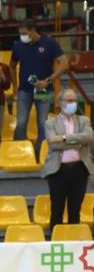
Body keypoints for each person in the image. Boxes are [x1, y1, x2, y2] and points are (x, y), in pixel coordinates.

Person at [10, 18, 66, 153]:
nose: (22, 36)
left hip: (44, 89)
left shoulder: (50, 43)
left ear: (33, 31)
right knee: (21, 123)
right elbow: (12, 66)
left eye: (25, 33)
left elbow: (64, 63)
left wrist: (48, 80)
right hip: (24, 90)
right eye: (20, 33)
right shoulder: (18, 46)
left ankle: (40, 153)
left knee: (42, 124)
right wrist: (15, 86)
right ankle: (19, 152)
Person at [42, 90, 93, 234]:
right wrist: (78, 141)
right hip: (58, 171)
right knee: (57, 210)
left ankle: (73, 243)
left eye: (75, 100)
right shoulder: (50, 123)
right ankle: (54, 243)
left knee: (75, 210)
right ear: (60, 103)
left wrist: (64, 138)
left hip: (79, 170)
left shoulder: (84, 120)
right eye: (69, 100)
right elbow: (54, 144)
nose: (73, 103)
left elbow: (89, 137)